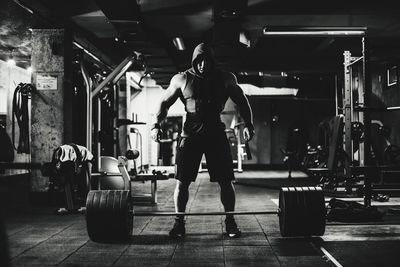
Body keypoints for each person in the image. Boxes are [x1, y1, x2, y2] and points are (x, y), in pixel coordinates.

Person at [151, 43, 255, 238]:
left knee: (226, 181)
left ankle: (230, 222)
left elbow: (242, 101)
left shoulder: (225, 78)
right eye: (199, 61)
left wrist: (249, 124)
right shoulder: (182, 79)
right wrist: (155, 125)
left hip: (216, 135)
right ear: (194, 61)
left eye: (206, 61)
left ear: (212, 61)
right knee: (182, 182)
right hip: (190, 136)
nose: (202, 65)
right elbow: (164, 103)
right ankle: (179, 223)